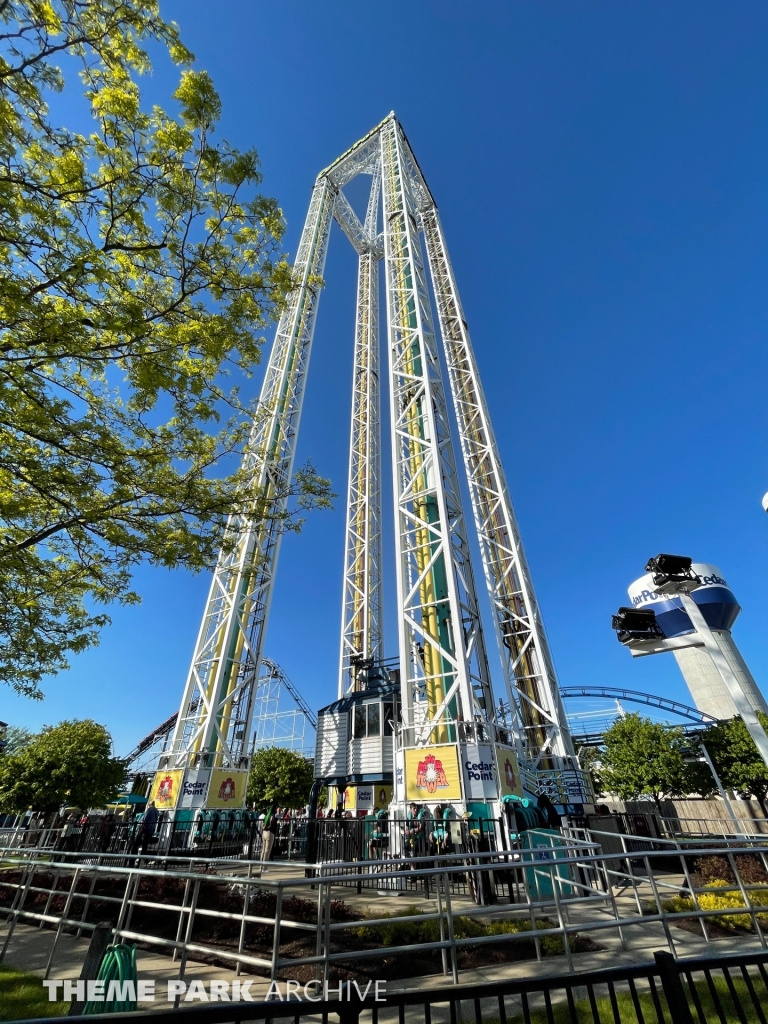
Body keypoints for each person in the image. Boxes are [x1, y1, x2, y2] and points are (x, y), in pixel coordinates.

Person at [261, 802, 278, 870]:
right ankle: (264, 867)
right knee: (267, 851)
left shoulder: (266, 815)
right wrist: (269, 827)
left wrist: (264, 828)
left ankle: (260, 865)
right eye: (276, 808)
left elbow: (263, 823)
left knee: (263, 850)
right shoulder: (272, 815)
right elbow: (271, 823)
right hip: (270, 833)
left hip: (264, 833)